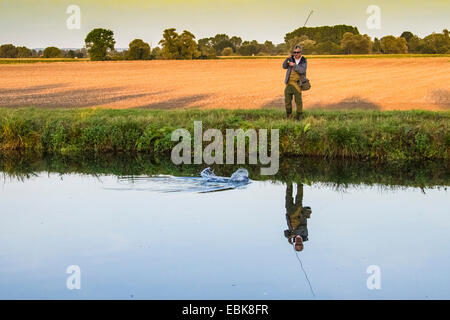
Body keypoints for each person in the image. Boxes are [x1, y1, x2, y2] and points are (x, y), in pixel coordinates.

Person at [283, 182, 312, 252]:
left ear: (295, 244)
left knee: (288, 197)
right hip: (299, 214)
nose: (298, 244)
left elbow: (285, 232)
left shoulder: (292, 237)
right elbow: (302, 228)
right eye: (300, 245)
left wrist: (288, 237)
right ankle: (299, 181)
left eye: (296, 245)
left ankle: (289, 181)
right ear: (302, 244)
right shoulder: (305, 235)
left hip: (289, 214)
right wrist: (294, 234)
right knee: (299, 197)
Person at [282, 45, 307, 120]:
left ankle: (299, 117)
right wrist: (287, 59)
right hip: (289, 83)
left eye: (297, 52)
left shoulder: (303, 60)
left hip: (297, 84)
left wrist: (294, 65)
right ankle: (289, 116)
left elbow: (302, 70)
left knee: (298, 102)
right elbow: (284, 66)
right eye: (294, 52)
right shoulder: (291, 59)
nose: (295, 54)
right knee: (287, 101)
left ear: (300, 52)